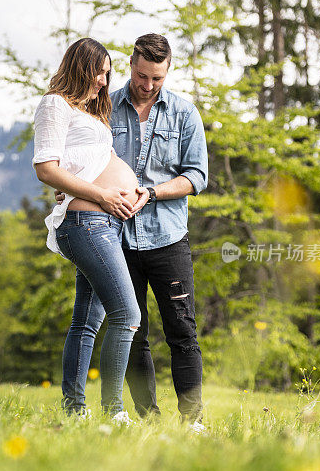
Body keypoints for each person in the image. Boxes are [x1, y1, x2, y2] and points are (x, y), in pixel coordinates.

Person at [57, 33, 208, 431]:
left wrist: (152, 192)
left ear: (167, 72)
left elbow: (197, 176)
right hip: (114, 235)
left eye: (157, 78)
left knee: (182, 330)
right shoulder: (103, 106)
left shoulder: (183, 112)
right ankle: (146, 419)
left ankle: (193, 421)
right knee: (132, 329)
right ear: (131, 64)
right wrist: (68, 180)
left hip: (167, 237)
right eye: (142, 76)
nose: (147, 85)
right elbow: (82, 154)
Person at [32, 37, 146, 422]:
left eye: (108, 72)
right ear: (80, 67)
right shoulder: (55, 104)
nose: (104, 80)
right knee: (128, 314)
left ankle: (74, 410)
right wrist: (103, 195)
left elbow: (94, 160)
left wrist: (131, 191)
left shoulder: (93, 113)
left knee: (87, 321)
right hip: (87, 222)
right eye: (99, 71)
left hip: (108, 222)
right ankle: (114, 411)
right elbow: (46, 168)